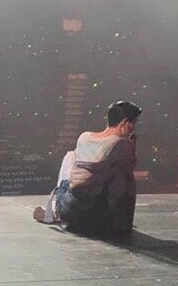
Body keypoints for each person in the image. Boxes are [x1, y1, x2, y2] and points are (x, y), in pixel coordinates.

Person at [36, 100, 140, 237]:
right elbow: (127, 182)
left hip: (71, 212)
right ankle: (57, 209)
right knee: (119, 174)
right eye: (133, 123)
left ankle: (56, 209)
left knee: (71, 156)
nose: (134, 128)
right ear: (125, 123)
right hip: (99, 218)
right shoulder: (123, 144)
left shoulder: (84, 137)